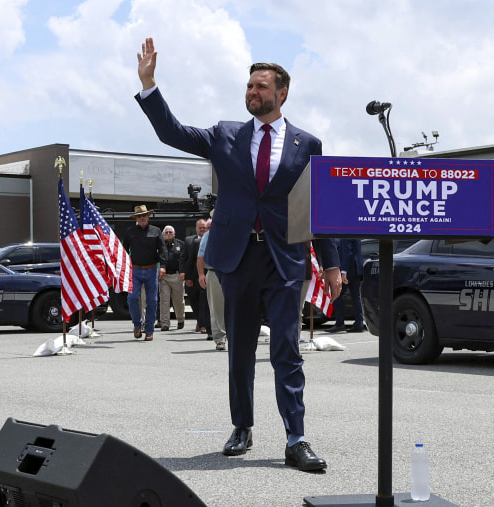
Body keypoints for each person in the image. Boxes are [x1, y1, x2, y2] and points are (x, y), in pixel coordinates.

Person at [135, 37, 342, 472]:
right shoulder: (224, 135)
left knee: (286, 348)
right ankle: (242, 427)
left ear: (282, 93)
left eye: (261, 87)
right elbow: (173, 132)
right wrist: (150, 86)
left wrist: (332, 263)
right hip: (237, 258)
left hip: (285, 260)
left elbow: (319, 207)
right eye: (249, 86)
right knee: (241, 349)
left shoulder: (308, 145)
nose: (252, 93)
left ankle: (296, 438)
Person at [122, 204, 166, 341]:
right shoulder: (130, 232)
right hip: (134, 270)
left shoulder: (156, 231)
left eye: (144, 215)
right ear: (136, 218)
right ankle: (137, 325)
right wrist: (123, 267)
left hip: (152, 269)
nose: (142, 218)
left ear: (148, 216)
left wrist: (163, 266)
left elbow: (163, 250)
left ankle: (149, 330)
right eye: (139, 216)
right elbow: (124, 250)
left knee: (152, 301)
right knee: (132, 298)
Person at [197, 218, 225, 350]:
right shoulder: (208, 235)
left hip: (234, 274)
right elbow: (201, 256)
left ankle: (236, 337)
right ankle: (220, 339)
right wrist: (201, 274)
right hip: (214, 273)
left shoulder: (233, 231)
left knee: (236, 306)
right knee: (216, 308)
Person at [326, 239, 364, 333]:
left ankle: (340, 323)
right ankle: (359, 322)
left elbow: (347, 252)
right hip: (355, 268)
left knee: (336, 294)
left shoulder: (346, 231)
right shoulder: (354, 230)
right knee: (356, 297)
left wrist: (344, 271)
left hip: (348, 269)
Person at [180, 218, 209, 334]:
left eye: (204, 227)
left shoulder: (211, 239)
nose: (202, 229)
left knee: (204, 300)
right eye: (200, 227)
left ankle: (203, 324)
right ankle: (199, 320)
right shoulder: (188, 240)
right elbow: (184, 258)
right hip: (191, 275)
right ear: (196, 228)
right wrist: (184, 274)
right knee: (193, 299)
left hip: (206, 275)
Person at [159, 225, 186, 331]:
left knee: (178, 300)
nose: (168, 234)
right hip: (164, 277)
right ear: (163, 234)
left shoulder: (181, 244)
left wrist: (183, 272)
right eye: (166, 232)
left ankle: (180, 319)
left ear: (174, 234)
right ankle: (165, 323)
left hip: (177, 276)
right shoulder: (160, 245)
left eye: (170, 232)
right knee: (164, 300)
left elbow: (184, 259)